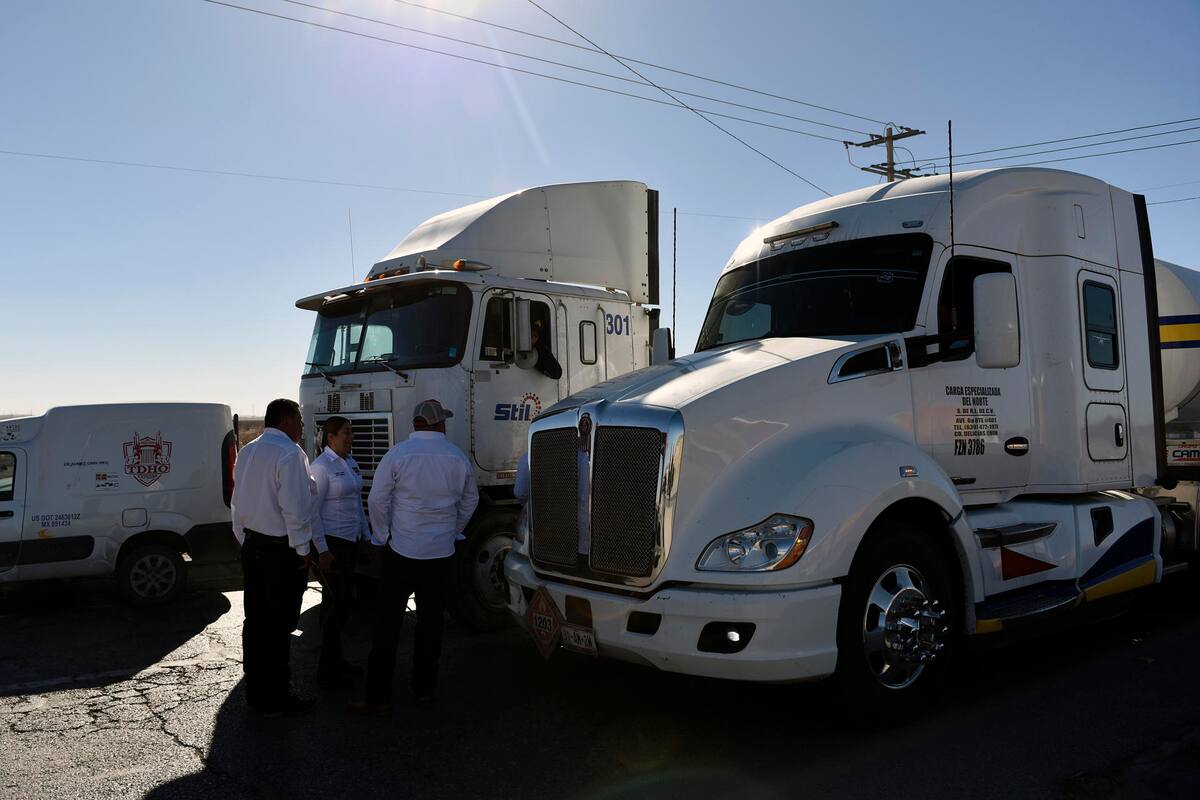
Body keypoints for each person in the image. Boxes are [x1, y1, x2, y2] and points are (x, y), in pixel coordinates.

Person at [352, 399, 479, 715]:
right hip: (440, 554)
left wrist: (383, 535)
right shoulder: (456, 457)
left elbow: (378, 500)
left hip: (402, 552)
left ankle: (377, 696)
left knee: (388, 625)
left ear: (416, 423)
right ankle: (424, 690)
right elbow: (470, 500)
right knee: (430, 624)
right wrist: (452, 530)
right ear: (440, 423)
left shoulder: (398, 454)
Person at [231, 398, 329, 718]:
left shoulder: (248, 451)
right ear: (286, 421)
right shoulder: (290, 454)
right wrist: (303, 552)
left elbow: (238, 504)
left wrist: (245, 540)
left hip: (253, 547)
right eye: (299, 420)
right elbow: (296, 510)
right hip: (280, 552)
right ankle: (277, 695)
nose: (302, 427)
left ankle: (257, 693)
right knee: (279, 626)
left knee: (256, 622)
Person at [309, 415, 370, 686]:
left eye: (351, 433)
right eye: (345, 433)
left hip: (351, 542)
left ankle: (334, 661)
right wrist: (322, 550)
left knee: (332, 603)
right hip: (332, 545)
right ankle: (326, 667)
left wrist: (367, 536)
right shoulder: (321, 467)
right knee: (342, 602)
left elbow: (358, 503)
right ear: (330, 438)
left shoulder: (350, 462)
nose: (350, 437)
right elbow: (312, 513)